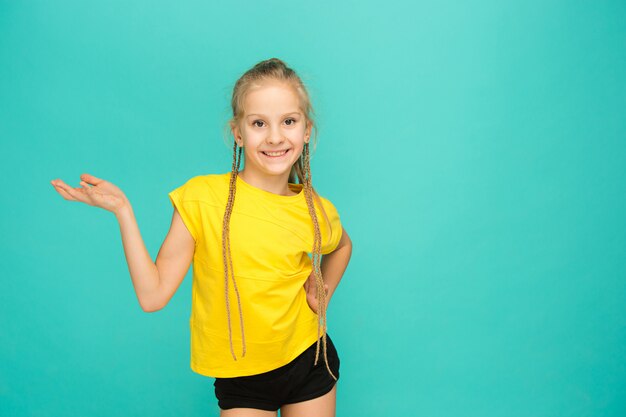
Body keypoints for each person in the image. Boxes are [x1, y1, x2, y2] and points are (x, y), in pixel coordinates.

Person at [50, 57, 353, 417]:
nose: (275, 136)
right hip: (242, 376)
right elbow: (153, 295)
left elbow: (342, 246)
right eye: (259, 123)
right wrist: (123, 212)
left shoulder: (315, 208)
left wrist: (321, 290)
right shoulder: (202, 199)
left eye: (288, 121)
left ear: (306, 130)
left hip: (310, 360)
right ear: (238, 132)